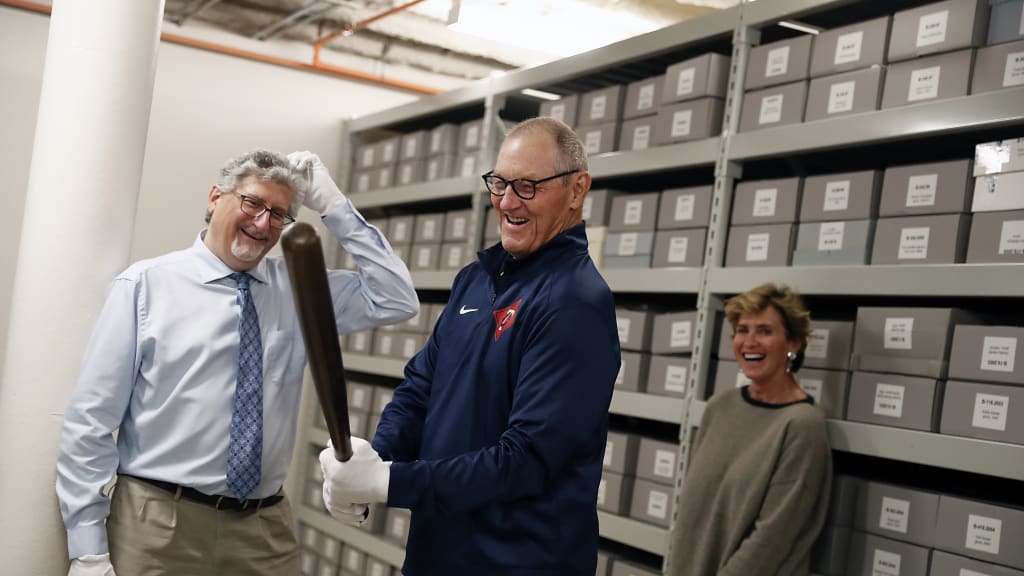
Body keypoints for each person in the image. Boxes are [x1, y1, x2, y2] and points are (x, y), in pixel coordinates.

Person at [56, 149, 418, 576]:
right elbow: (91, 422)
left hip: (263, 528)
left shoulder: (300, 288)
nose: (263, 223)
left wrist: (334, 206)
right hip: (156, 523)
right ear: (215, 198)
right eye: (253, 203)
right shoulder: (146, 286)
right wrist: (88, 550)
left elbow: (396, 298)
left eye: (279, 214)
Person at [319, 116, 621, 575]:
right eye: (499, 183)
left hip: (518, 563)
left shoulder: (575, 303)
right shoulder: (476, 280)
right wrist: (373, 460)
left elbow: (526, 459)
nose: (507, 202)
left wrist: (388, 481)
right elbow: (420, 389)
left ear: (577, 189)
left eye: (527, 186)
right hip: (438, 554)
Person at [670, 282, 832, 576]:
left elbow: (772, 539)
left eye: (765, 331)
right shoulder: (719, 408)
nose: (750, 341)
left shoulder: (802, 425)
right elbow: (692, 517)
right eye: (743, 330)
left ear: (794, 343)